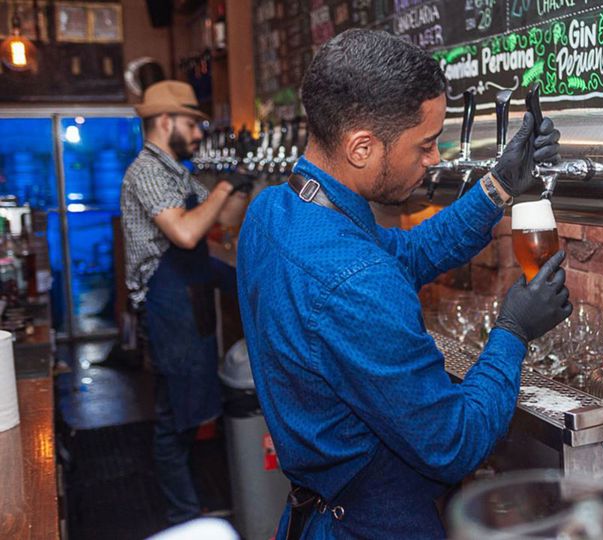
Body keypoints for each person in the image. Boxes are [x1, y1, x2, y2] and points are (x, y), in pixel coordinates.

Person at [237, 29, 571, 539]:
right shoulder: (353, 281)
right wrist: (513, 331)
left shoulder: (273, 213)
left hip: (314, 513)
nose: (434, 159)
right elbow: (453, 445)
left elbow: (407, 254)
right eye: (425, 144)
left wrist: (499, 182)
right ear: (362, 148)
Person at [121, 80, 249, 524]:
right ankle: (184, 515)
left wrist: (240, 184)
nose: (198, 133)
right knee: (174, 417)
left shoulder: (177, 170)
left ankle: (193, 503)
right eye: (192, 124)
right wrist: (222, 187)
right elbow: (186, 232)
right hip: (165, 302)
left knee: (190, 410)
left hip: (186, 295)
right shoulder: (147, 171)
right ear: (164, 121)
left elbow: (224, 219)